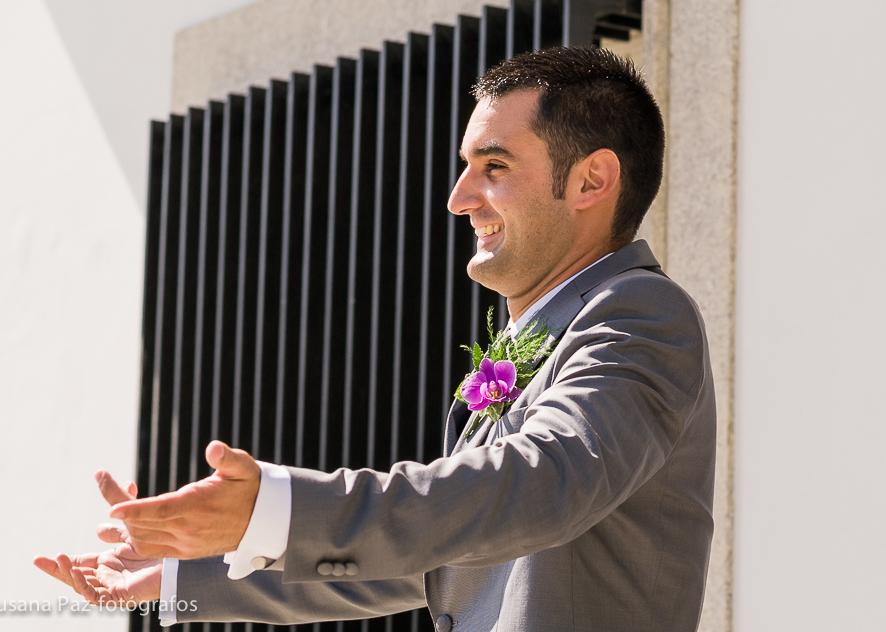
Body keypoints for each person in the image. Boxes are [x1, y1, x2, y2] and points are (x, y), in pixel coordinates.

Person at [36, 46, 716, 632]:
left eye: (495, 166)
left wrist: (277, 507)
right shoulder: (538, 336)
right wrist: (187, 573)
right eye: (465, 165)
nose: (457, 197)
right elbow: (435, 557)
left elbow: (543, 481)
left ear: (592, 180)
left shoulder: (639, 313)